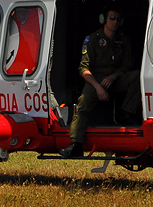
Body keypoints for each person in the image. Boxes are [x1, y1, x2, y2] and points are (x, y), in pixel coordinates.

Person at [59, 9, 141, 157]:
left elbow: (128, 66)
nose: (115, 21)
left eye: (118, 19)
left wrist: (113, 77)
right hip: (95, 81)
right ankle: (76, 144)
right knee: (83, 104)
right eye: (112, 18)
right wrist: (97, 87)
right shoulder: (92, 39)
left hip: (115, 79)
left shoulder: (124, 40)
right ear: (104, 19)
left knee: (137, 76)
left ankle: (127, 115)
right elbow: (83, 69)